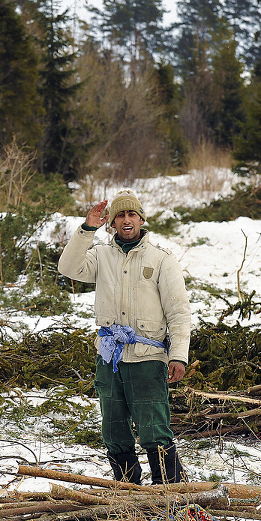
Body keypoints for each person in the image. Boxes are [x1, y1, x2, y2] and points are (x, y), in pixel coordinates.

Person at [58, 188, 191, 485]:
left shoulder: (161, 260)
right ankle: (128, 491)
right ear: (112, 223)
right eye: (120, 215)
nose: (126, 220)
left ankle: (169, 492)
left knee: (154, 428)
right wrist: (87, 228)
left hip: (148, 359)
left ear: (141, 219)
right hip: (109, 357)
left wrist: (178, 355)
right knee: (114, 430)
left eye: (132, 214)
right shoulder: (100, 256)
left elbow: (179, 312)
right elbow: (68, 267)